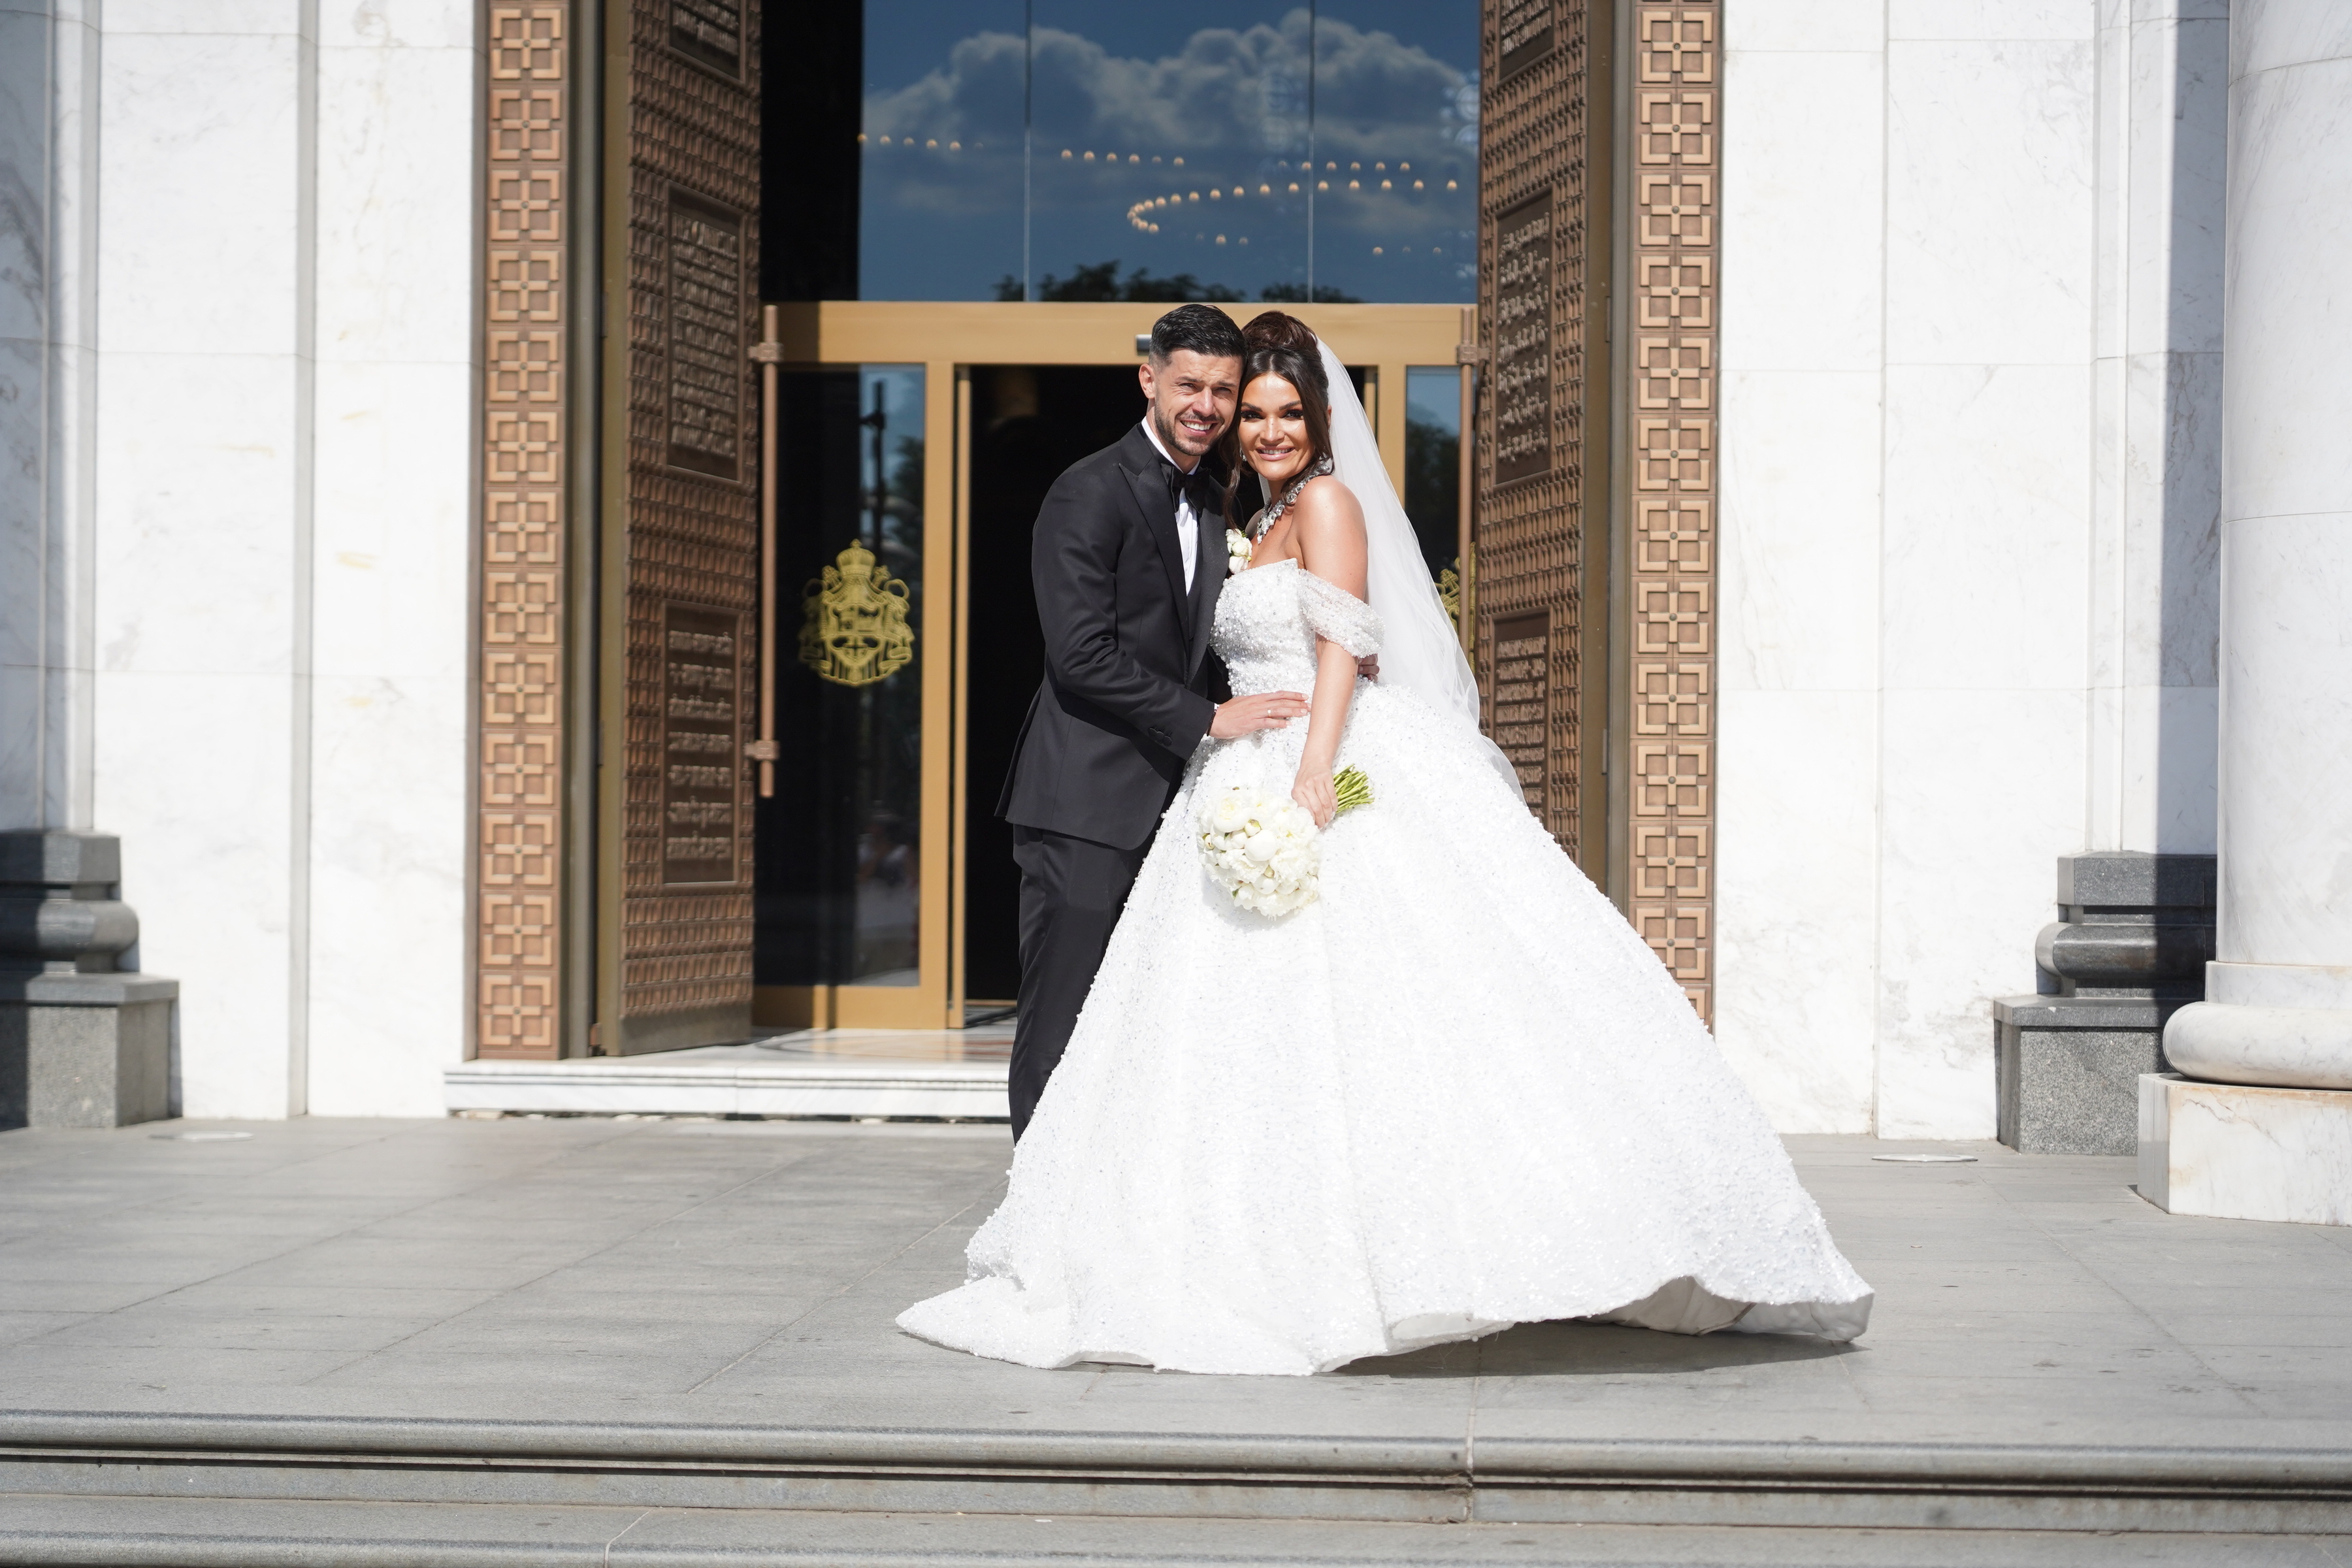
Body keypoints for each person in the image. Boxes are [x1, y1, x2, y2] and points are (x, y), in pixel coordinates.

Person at [906, 312, 1873, 1375]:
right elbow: (1088, 653)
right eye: (1236, 404)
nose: (1248, 422)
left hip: (1300, 764)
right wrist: (1227, 734)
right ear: (1154, 384)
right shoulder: (1183, 500)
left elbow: (1343, 645)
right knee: (1144, 1033)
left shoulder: (1320, 500)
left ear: (1316, 418)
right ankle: (1084, 1223)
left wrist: (1317, 769)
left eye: (1270, 407)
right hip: (1165, 784)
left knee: (1381, 1012)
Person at [994, 304, 1309, 1140]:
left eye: (1222, 389)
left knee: (1141, 1032)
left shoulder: (1217, 500)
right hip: (1084, 808)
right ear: (1149, 380)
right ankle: (1036, 1219)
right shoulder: (1087, 489)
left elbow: (1197, 640)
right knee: (1061, 1025)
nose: (1206, 405)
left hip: (1183, 812)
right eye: (1189, 385)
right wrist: (1210, 716)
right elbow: (1081, 656)